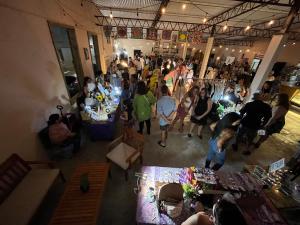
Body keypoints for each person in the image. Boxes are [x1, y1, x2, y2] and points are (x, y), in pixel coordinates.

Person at [182, 193, 246, 225]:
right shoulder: (241, 220)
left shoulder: (200, 218)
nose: (218, 199)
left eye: (213, 215)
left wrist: (200, 212)